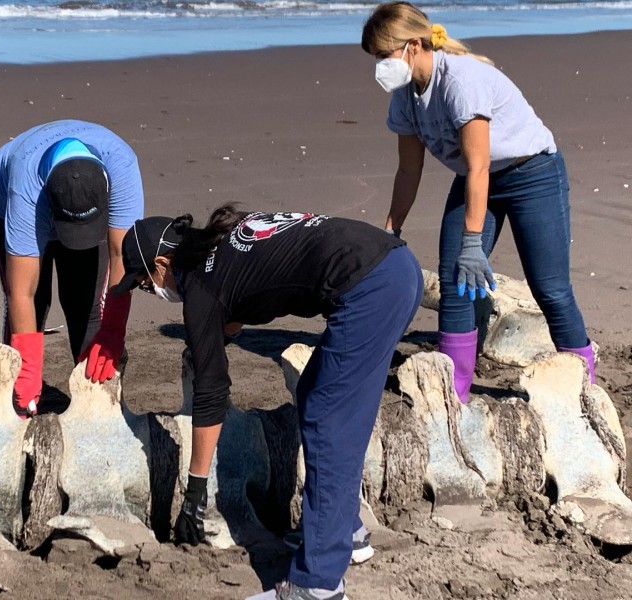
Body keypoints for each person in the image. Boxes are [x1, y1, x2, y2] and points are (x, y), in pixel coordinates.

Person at [113, 206, 423, 600]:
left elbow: (211, 396)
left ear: (161, 263)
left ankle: (317, 585)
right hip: (395, 265)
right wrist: (209, 338)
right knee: (316, 395)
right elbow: (247, 295)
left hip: (369, 287)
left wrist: (195, 491)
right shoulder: (222, 239)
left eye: (144, 283)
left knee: (328, 420)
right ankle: (343, 530)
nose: (150, 292)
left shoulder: (200, 289)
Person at [361, 2, 595, 402]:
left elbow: (480, 164)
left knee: (550, 288)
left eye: (384, 55)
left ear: (413, 46)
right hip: (477, 178)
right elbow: (408, 172)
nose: (381, 66)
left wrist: (473, 242)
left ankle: (580, 392)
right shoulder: (405, 96)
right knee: (455, 285)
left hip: (531, 173)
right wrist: (390, 231)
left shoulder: (461, 82)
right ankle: (456, 396)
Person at [0, 119, 143, 417]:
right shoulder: (25, 189)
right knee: (37, 300)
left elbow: (123, 258)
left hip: (77, 190)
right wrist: (27, 370)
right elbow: (22, 292)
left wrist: (113, 333)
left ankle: (96, 406)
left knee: (87, 305)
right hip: (10, 199)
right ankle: (19, 405)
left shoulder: (122, 167)